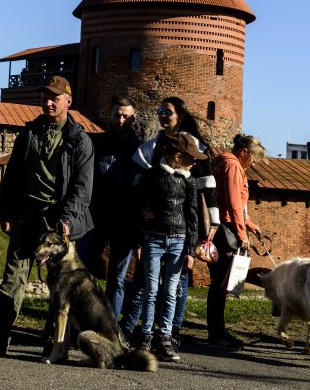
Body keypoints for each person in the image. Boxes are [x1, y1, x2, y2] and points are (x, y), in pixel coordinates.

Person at [0, 75, 93, 357]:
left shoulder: (80, 141)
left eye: (55, 97)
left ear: (69, 100)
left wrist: (65, 221)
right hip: (27, 214)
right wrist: (7, 211)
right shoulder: (29, 133)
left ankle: (54, 345)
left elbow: (82, 188)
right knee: (12, 280)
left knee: (59, 288)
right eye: (45, 97)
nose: (49, 102)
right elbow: (13, 175)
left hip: (58, 222)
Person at [121, 96, 219, 346]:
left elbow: (208, 187)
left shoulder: (192, 145)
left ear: (180, 115)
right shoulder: (153, 146)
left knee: (178, 281)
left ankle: (171, 331)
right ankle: (132, 328)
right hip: (156, 226)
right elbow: (138, 183)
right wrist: (141, 211)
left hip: (185, 222)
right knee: (146, 282)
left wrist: (214, 222)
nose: (163, 114)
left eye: (168, 111)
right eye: (160, 110)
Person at [127, 132, 202, 363]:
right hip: (153, 237)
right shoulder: (153, 175)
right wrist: (139, 237)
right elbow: (139, 204)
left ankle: (165, 337)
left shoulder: (189, 180)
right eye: (192, 156)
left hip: (178, 240)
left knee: (170, 291)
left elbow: (192, 216)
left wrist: (190, 249)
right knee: (150, 289)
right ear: (178, 155)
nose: (195, 161)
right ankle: (146, 335)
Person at [77, 97, 141, 318]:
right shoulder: (97, 143)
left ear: (134, 118)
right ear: (110, 114)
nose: (120, 120)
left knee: (117, 280)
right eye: (117, 115)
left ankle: (110, 329)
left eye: (126, 116)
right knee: (81, 273)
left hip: (124, 223)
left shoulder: (139, 150)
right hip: (95, 219)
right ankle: (79, 324)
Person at [206, 133, 266, 350]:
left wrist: (250, 225)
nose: (252, 165)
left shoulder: (227, 163)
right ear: (244, 152)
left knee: (220, 284)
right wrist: (242, 234)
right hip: (227, 230)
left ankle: (218, 331)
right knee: (221, 284)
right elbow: (232, 204)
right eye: (253, 160)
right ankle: (216, 335)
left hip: (226, 226)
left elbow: (236, 205)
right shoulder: (232, 166)